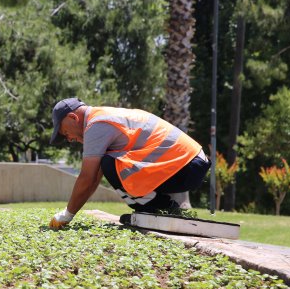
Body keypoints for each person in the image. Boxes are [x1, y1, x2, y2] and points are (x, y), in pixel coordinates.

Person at [48, 97, 210, 229]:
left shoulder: (96, 125)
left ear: (73, 117)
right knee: (109, 162)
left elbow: (87, 178)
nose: (69, 139)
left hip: (187, 166)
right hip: (192, 163)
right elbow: (94, 179)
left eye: (65, 132)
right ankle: (159, 207)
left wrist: (67, 215)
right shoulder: (102, 116)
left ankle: (156, 208)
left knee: (110, 163)